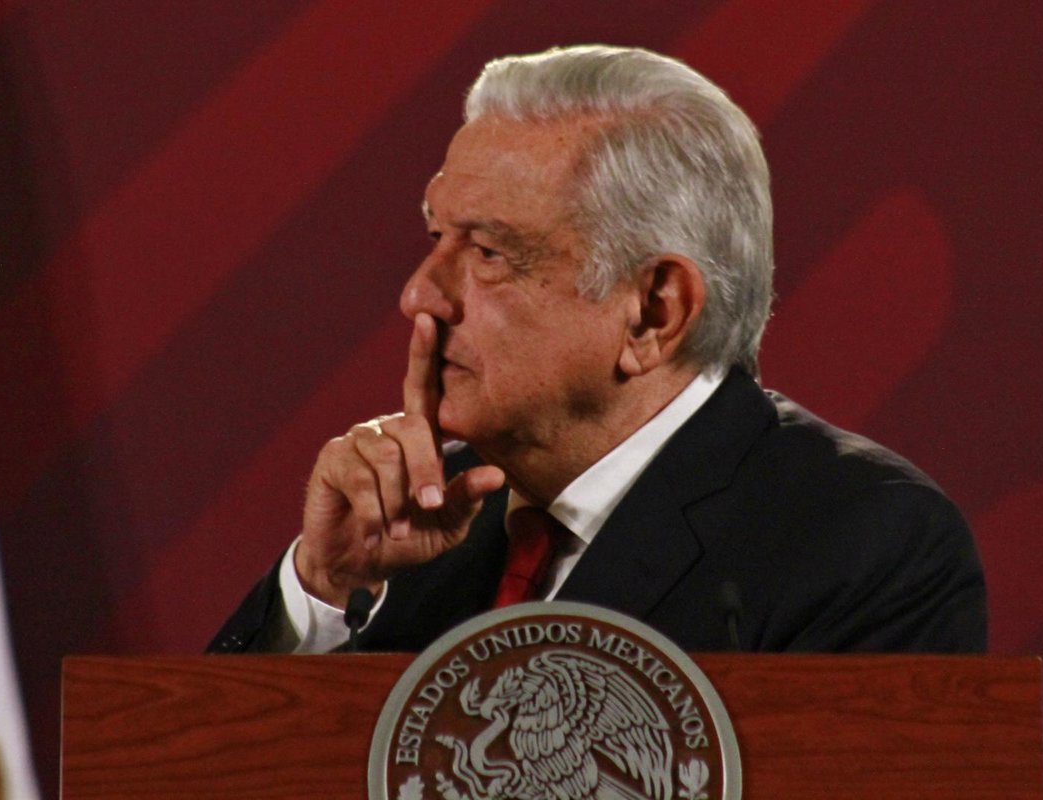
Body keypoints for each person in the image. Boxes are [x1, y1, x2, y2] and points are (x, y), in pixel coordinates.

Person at [209, 44, 985, 656]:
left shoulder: (862, 543)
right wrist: (322, 587)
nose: (420, 295)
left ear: (653, 313)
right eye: (436, 236)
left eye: (488, 253)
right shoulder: (418, 524)